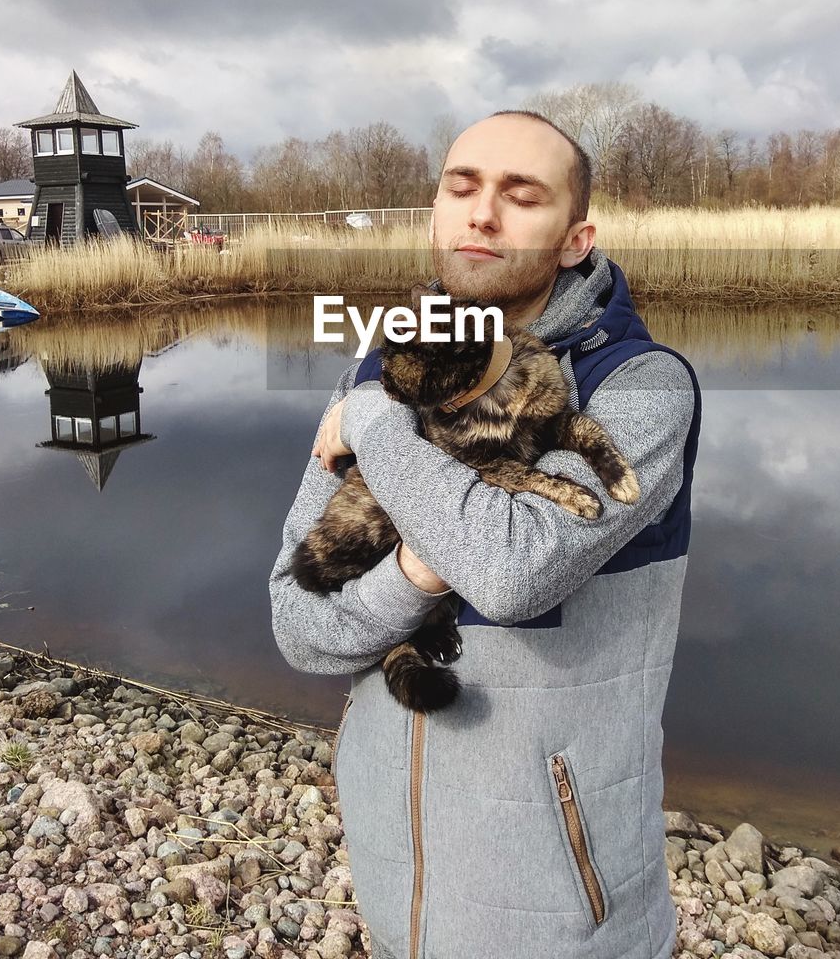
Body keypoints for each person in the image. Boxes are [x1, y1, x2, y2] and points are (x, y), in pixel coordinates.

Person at [269, 110, 702, 959]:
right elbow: (297, 624)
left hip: (563, 919)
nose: (480, 214)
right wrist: (417, 576)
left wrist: (376, 426)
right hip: (399, 893)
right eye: (460, 186)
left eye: (521, 195)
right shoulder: (376, 367)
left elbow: (511, 573)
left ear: (575, 239)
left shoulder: (645, 389)